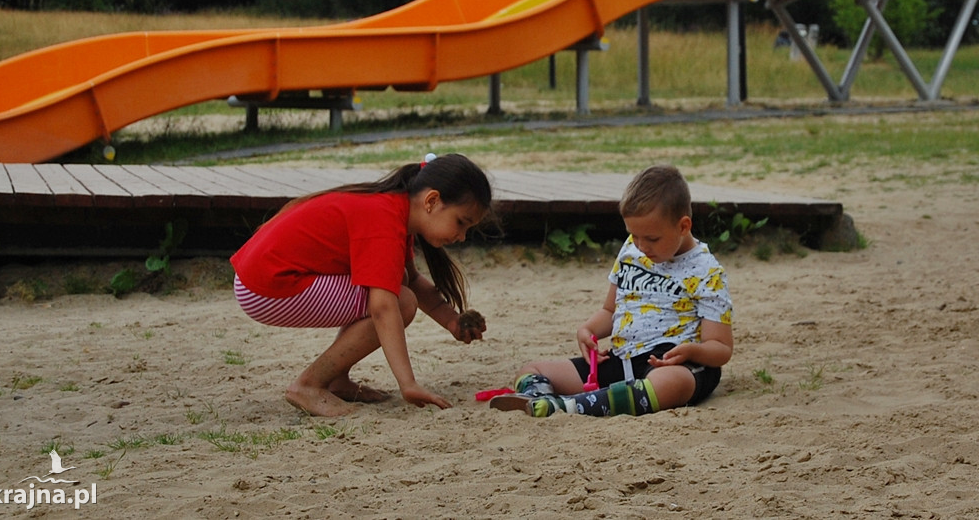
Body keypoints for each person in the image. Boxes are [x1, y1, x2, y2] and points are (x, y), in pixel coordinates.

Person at [231, 153, 492, 417]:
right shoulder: (384, 218)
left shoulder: (394, 210)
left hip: (258, 280)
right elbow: (383, 308)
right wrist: (408, 384)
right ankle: (308, 385)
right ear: (432, 201)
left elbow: (411, 279)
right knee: (401, 301)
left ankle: (337, 379)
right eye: (461, 222)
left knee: (397, 281)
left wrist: (452, 321)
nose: (461, 236)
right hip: (267, 287)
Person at [490, 164, 732, 418]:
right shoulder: (631, 251)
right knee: (532, 369)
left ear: (683, 226)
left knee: (672, 384)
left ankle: (571, 406)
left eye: (651, 239)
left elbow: (720, 348)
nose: (641, 247)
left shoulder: (707, 272)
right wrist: (588, 330)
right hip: (622, 360)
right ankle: (544, 399)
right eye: (634, 236)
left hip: (672, 363)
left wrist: (691, 351)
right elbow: (610, 310)